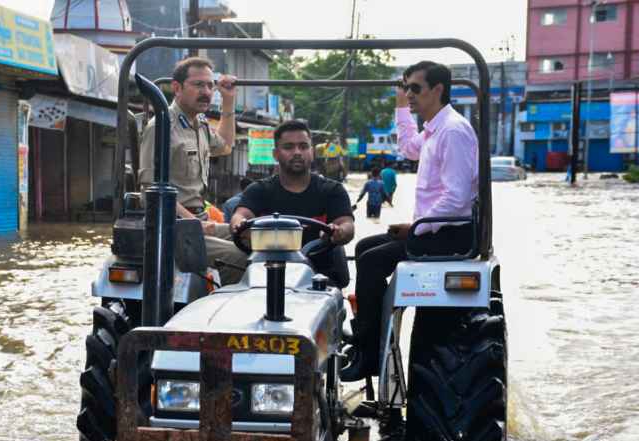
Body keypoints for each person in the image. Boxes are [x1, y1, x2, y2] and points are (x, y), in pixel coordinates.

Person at [340, 61, 478, 382]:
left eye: (415, 88)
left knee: (374, 261)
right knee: (364, 247)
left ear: (438, 90)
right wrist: (401, 106)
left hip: (449, 233)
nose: (410, 94)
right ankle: (366, 339)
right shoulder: (433, 130)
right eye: (406, 89)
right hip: (433, 228)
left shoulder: (453, 132)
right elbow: (406, 146)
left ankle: (370, 355)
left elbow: (457, 198)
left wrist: (416, 227)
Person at [139, 57, 248, 284]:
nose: (206, 92)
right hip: (173, 227)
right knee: (240, 257)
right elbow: (149, 191)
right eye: (198, 85)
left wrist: (228, 102)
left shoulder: (199, 124)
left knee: (258, 237)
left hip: (198, 219)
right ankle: (216, 310)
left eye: (210, 85)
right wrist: (193, 223)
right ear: (177, 88)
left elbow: (226, 145)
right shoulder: (161, 127)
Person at [230, 120, 355, 288]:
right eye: (288, 147)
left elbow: (346, 224)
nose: (297, 152)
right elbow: (241, 216)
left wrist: (340, 231)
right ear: (275, 154)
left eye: (303, 146)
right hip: (266, 276)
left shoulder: (333, 190)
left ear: (312, 152)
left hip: (321, 280)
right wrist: (239, 226)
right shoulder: (258, 190)